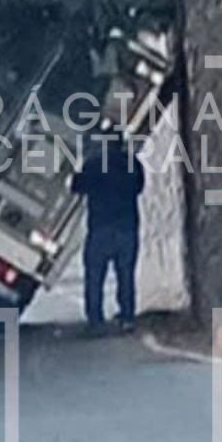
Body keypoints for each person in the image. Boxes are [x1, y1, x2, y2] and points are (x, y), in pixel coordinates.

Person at [71, 134, 146, 333]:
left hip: (100, 228)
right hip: (127, 227)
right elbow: (139, 188)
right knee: (126, 274)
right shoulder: (133, 164)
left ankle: (96, 319)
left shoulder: (94, 164)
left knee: (95, 276)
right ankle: (127, 317)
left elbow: (76, 186)